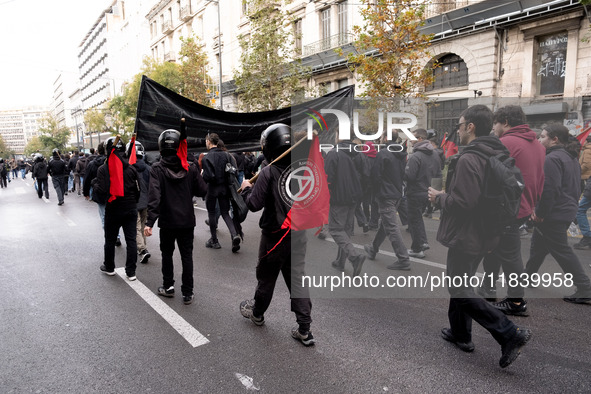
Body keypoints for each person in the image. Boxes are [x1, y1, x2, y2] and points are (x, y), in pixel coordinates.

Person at [428, 104, 531, 369]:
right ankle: (460, 334)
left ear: (470, 127)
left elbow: (463, 202)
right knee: (461, 283)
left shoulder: (470, 158)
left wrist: (440, 197)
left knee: (459, 287)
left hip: (467, 233)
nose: (458, 131)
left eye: (460, 125)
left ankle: (509, 333)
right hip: (487, 231)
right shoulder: (496, 152)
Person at [239, 124, 314, 346]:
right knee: (297, 278)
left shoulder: (269, 171)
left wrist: (245, 188)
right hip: (298, 233)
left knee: (266, 277)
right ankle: (305, 329)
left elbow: (253, 204)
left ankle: (258, 313)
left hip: (275, 236)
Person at [478, 105, 545, 316]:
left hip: (507, 207)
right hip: (524, 205)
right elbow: (541, 178)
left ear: (505, 122)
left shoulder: (506, 142)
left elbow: (490, 175)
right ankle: (488, 287)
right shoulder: (537, 144)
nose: (494, 128)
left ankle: (516, 300)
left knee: (510, 254)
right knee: (496, 247)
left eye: (496, 123)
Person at [524, 124, 591, 304]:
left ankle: (584, 286)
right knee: (538, 247)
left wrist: (540, 212)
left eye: (543, 136)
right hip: (565, 209)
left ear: (554, 139)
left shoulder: (552, 159)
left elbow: (549, 189)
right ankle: (525, 277)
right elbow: (578, 187)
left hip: (553, 213)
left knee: (561, 250)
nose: (539, 139)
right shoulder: (571, 158)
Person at [145, 129, 208, 305]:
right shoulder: (191, 167)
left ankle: (168, 286)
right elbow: (202, 190)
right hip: (187, 221)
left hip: (167, 221)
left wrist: (150, 221)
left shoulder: (157, 169)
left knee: (167, 254)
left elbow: (154, 197)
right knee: (186, 256)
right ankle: (187, 292)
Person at [364, 131, 411, 270]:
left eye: (380, 137)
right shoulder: (402, 154)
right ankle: (373, 248)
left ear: (385, 138)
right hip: (396, 193)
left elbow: (375, 176)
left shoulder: (383, 153)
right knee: (385, 224)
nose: (379, 140)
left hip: (385, 195)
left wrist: (377, 192)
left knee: (391, 227)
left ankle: (403, 259)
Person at [95, 137, 140, 281]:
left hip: (113, 209)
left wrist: (94, 185)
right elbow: (138, 190)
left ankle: (109, 267)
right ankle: (131, 271)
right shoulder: (132, 168)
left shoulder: (103, 169)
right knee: (131, 240)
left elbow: (101, 191)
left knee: (110, 239)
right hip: (130, 207)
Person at [324, 133, 366, 276]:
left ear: (338, 136)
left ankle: (354, 257)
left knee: (336, 229)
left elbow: (328, 178)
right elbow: (365, 174)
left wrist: (325, 197)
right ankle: (340, 261)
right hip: (354, 196)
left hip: (339, 196)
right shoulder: (358, 153)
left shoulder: (333, 153)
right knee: (346, 231)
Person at [202, 133, 242, 252]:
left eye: (206, 141)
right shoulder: (226, 155)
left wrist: (203, 176)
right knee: (225, 213)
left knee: (212, 213)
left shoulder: (206, 157)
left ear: (209, 141)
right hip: (225, 188)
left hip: (212, 189)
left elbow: (208, 176)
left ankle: (214, 241)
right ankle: (234, 234)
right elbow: (234, 171)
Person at [405, 128, 440, 258]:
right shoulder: (435, 154)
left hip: (415, 192)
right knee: (418, 219)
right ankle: (422, 243)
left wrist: (403, 172)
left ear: (420, 139)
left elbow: (410, 176)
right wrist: (435, 195)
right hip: (428, 192)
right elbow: (438, 173)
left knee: (414, 220)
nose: (410, 140)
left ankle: (417, 248)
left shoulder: (416, 156)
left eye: (412, 137)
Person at [128, 140, 152, 264]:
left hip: (134, 202)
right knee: (143, 226)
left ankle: (142, 250)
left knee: (136, 227)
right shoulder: (148, 168)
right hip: (146, 201)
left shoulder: (129, 168)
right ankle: (144, 248)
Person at [574, 135, 591, 250]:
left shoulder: (588, 150)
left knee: (580, 210)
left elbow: (587, 164)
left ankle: (587, 236)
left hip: (588, 183)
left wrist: (577, 170)